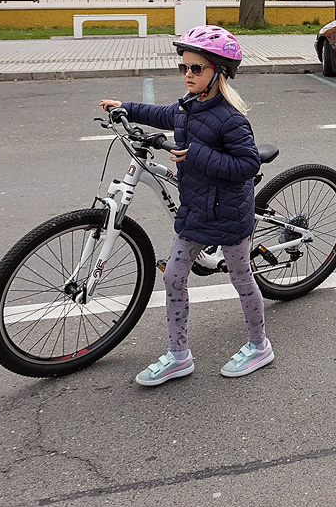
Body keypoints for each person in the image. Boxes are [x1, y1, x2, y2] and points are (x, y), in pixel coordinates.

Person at [99, 24, 273, 384]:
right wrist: (125, 107)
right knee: (174, 278)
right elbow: (162, 115)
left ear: (218, 72)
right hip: (195, 211)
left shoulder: (231, 119)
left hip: (228, 214)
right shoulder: (187, 107)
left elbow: (247, 166)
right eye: (183, 67)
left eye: (196, 68)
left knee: (241, 278)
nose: (187, 74)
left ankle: (260, 346)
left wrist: (196, 154)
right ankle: (179, 355)